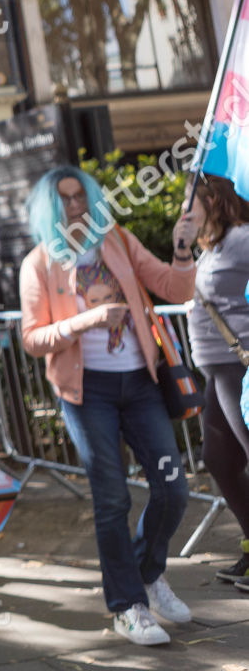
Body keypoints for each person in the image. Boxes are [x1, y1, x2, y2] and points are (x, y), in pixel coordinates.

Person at [19, 166, 198, 646]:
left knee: (173, 488)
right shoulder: (40, 262)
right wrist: (85, 321)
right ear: (49, 208)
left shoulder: (117, 240)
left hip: (141, 386)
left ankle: (147, 573)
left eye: (81, 196)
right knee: (113, 499)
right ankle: (127, 605)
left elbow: (177, 289)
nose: (75, 206)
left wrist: (183, 251)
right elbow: (32, 338)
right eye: (64, 199)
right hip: (87, 394)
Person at [185, 173, 249, 591]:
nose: (183, 210)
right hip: (216, 369)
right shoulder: (211, 247)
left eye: (190, 201)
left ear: (211, 201)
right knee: (220, 459)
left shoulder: (242, 238)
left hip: (237, 366)